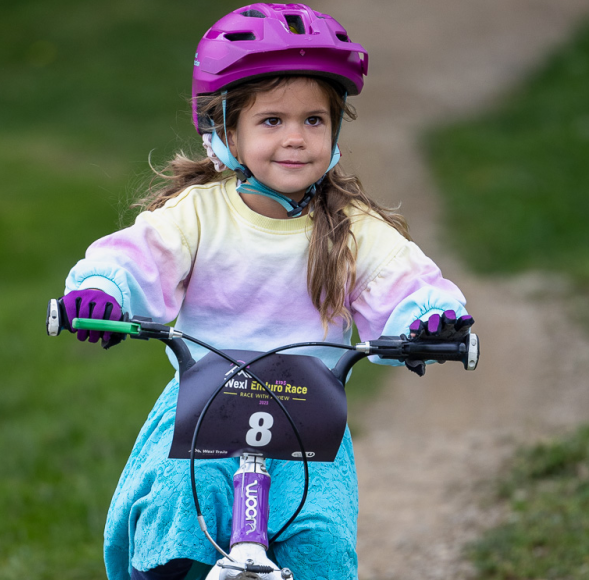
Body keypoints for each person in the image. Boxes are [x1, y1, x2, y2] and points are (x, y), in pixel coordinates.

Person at [59, 4, 473, 579]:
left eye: (314, 120)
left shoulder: (351, 227)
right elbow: (135, 259)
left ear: (335, 131)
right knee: (175, 524)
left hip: (310, 424)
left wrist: (430, 320)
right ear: (226, 131)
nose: (296, 138)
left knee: (320, 543)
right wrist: (105, 292)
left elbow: (403, 280)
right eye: (271, 121)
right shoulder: (196, 213)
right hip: (201, 414)